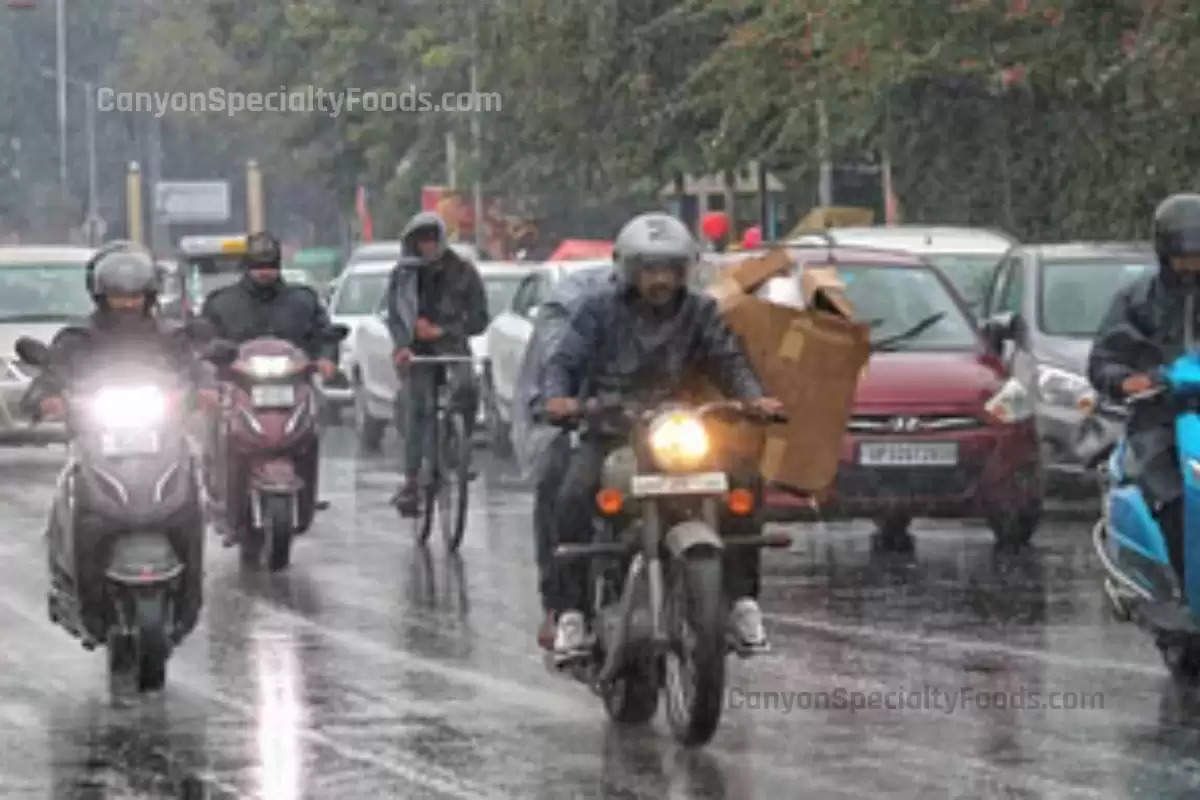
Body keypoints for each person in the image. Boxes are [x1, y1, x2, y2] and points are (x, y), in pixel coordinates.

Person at [542, 212, 785, 661]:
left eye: (669, 269)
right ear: (630, 270)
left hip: (680, 428)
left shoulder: (700, 312)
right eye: (650, 269)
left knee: (744, 481)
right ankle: (571, 613)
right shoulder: (597, 310)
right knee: (573, 493)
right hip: (613, 429)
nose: (660, 279)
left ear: (683, 271)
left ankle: (743, 602)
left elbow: (728, 359)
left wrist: (753, 398)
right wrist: (559, 397)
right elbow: (564, 361)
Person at [29, 242, 212, 642]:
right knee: (70, 490)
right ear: (101, 296)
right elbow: (52, 373)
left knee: (194, 489)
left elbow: (197, 370)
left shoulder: (171, 336)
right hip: (97, 442)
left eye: (134, 295)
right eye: (118, 296)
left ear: (148, 296)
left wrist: (207, 389)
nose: (126, 304)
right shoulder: (78, 338)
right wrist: (47, 397)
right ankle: (68, 575)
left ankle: (190, 593)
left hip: (162, 438)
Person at [200, 231, 339, 543]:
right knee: (215, 421)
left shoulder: (302, 300)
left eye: (271, 265)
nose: (265, 271)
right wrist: (213, 360)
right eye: (258, 265)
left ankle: (307, 491)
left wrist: (326, 358)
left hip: (292, 386)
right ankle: (218, 490)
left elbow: (324, 333)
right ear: (247, 266)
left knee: (318, 418)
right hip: (239, 387)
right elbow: (203, 337)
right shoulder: (222, 303)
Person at [1088, 193, 1200, 579]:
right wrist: (1127, 380)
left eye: (1198, 256)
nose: (1191, 266)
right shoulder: (1137, 300)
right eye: (1183, 257)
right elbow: (1104, 358)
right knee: (1170, 498)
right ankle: (1177, 586)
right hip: (1159, 419)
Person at [388, 211, 489, 516]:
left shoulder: (464, 272)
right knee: (419, 407)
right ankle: (411, 481)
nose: (428, 246)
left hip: (453, 346)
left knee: (468, 390)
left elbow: (479, 319)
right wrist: (402, 345)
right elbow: (394, 316)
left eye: (433, 239)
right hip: (417, 353)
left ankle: (458, 454)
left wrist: (443, 331)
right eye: (422, 241)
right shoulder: (403, 275)